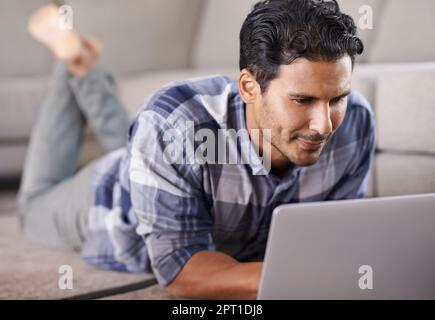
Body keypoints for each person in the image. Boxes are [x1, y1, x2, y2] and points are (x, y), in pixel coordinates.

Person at [18, 0, 375, 299]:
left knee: (156, 138)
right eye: (302, 100)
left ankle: (86, 72)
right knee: (34, 204)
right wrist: (299, 279)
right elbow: (180, 268)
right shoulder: (174, 122)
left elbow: (331, 239)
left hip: (167, 159)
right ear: (249, 87)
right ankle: (73, 63)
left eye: (337, 99)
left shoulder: (356, 123)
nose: (325, 126)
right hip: (109, 197)